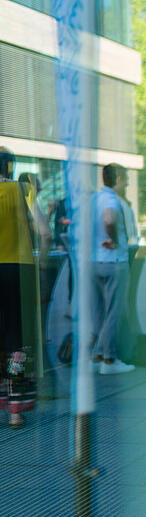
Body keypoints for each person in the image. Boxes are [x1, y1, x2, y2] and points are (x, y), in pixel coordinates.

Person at [0, 148, 50, 428]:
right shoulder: (23, 190)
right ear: (10, 167)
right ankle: (15, 410)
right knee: (16, 336)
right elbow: (45, 232)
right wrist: (41, 263)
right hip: (19, 269)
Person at [90, 163, 135, 375]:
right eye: (125, 178)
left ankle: (96, 356)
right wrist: (114, 239)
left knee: (100, 312)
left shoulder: (94, 198)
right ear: (117, 178)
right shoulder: (111, 199)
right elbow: (110, 218)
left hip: (95, 261)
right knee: (113, 312)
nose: (127, 183)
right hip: (113, 260)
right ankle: (109, 360)